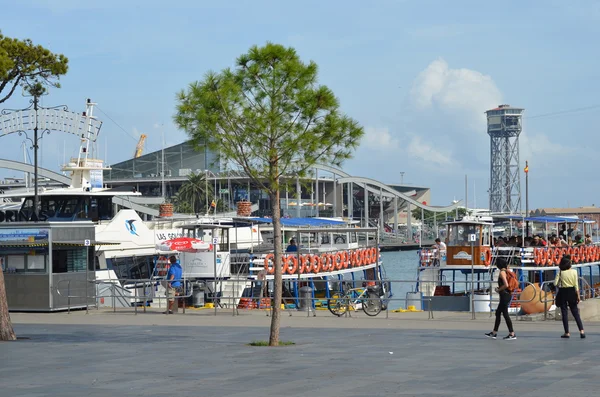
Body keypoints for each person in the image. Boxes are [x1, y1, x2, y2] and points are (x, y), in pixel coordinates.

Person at [485, 258, 517, 340]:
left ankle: (511, 333)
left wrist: (498, 289)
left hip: (504, 295)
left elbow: (506, 284)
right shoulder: (506, 271)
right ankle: (494, 332)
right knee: (498, 313)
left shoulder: (502, 272)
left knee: (505, 314)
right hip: (507, 295)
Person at [554, 255, 585, 338]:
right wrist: (578, 295)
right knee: (575, 312)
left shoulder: (560, 272)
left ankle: (567, 332)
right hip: (572, 291)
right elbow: (576, 285)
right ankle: (581, 331)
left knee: (564, 312)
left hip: (563, 292)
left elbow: (555, 283)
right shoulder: (574, 272)